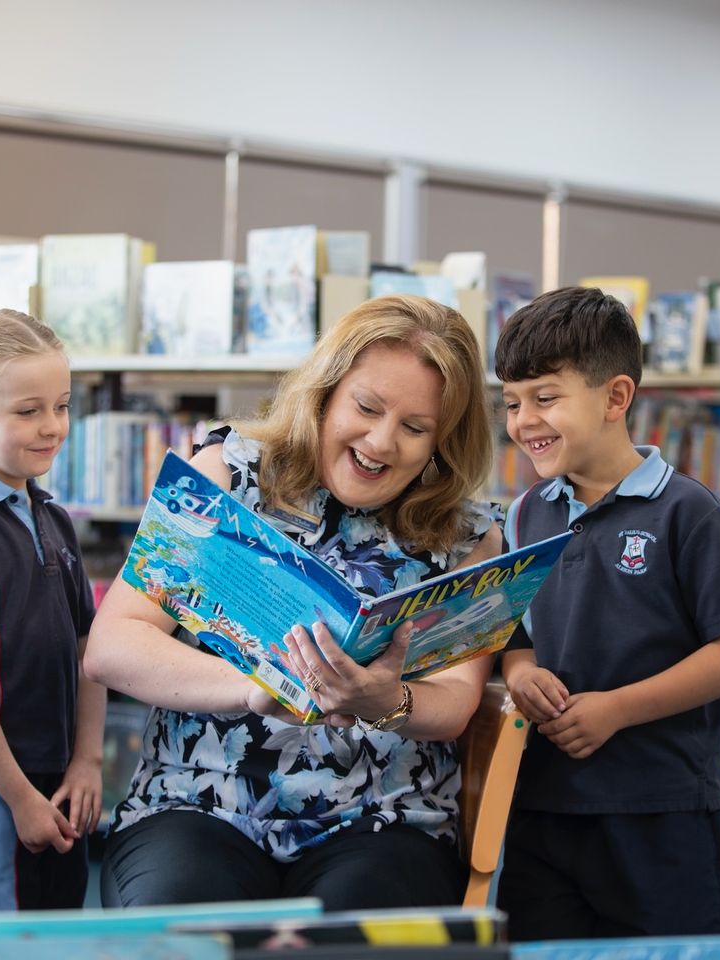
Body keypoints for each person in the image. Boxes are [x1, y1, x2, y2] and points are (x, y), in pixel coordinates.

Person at [84, 294, 504, 909]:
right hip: (198, 803)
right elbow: (112, 647)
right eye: (366, 408)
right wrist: (253, 688)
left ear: (443, 441)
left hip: (383, 820)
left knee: (358, 935)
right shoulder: (227, 475)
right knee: (181, 918)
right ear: (324, 393)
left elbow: (457, 705)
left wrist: (386, 700)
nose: (382, 443)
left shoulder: (467, 535)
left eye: (415, 428)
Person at [493, 285, 720, 941]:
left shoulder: (687, 511)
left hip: (661, 808)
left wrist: (618, 709)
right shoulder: (524, 514)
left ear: (615, 398)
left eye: (545, 398)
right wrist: (521, 672)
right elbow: (513, 635)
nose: (524, 421)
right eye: (513, 403)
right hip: (542, 806)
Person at [0, 308, 106, 910]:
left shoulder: (53, 518)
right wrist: (17, 797)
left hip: (60, 780)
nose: (52, 427)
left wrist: (88, 760)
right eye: (27, 410)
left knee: (61, 924)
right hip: (4, 789)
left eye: (61, 406)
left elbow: (90, 647)